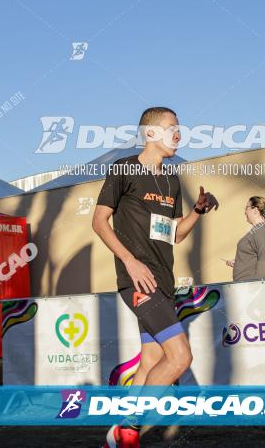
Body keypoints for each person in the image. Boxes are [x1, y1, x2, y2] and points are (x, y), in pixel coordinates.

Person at [93, 106, 218, 448]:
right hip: (137, 279)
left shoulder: (172, 180)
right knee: (179, 358)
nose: (178, 134)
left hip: (164, 281)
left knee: (151, 360)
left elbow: (175, 234)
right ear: (150, 134)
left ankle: (116, 435)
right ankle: (129, 429)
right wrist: (130, 261)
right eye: (171, 128)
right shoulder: (124, 169)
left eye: (180, 128)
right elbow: (99, 222)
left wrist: (197, 211)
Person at [231, 196, 265, 282]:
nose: (245, 212)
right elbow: (256, 257)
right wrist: (240, 262)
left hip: (262, 288)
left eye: (246, 208)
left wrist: (255, 285)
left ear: (255, 210)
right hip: (247, 286)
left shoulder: (264, 230)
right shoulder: (257, 231)